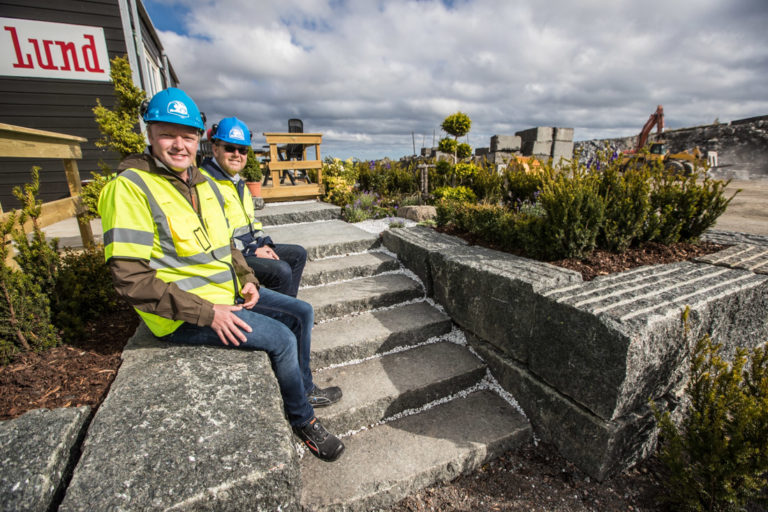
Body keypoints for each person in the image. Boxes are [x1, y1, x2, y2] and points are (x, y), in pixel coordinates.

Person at [98, 88, 343, 462]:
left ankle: (304, 389)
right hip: (183, 313)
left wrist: (247, 277)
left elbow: (226, 245)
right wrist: (208, 314)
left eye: (187, 136)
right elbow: (129, 276)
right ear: (149, 134)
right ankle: (303, 420)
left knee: (302, 311)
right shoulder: (130, 189)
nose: (179, 144)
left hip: (224, 292)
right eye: (167, 134)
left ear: (198, 139)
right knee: (280, 338)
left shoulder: (202, 185)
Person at [200, 117, 307, 297]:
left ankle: (287, 310)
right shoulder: (206, 184)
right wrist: (253, 250)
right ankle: (278, 319)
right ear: (215, 148)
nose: (237, 154)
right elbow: (216, 238)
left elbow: (251, 222)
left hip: (249, 247)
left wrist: (264, 244)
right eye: (229, 148)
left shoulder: (236, 182)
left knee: (298, 254)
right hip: (230, 255)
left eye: (242, 150)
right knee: (281, 271)